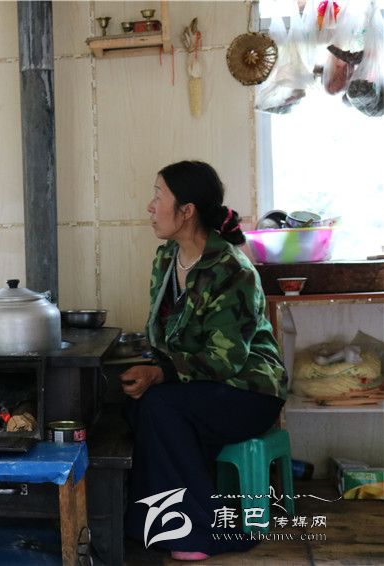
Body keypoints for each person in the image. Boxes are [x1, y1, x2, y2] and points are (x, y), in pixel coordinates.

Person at [120, 160, 287, 560]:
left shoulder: (231, 270)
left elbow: (225, 361)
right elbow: (163, 334)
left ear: (187, 210)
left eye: (158, 196)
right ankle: (154, 524)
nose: (150, 206)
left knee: (160, 407)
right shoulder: (166, 259)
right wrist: (148, 367)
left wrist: (161, 373)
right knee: (130, 406)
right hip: (199, 386)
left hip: (248, 391)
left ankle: (202, 533)